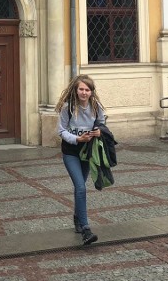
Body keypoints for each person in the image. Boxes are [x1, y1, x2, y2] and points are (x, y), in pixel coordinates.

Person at [56, 74, 105, 246]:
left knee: (80, 188)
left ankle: (77, 218)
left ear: (91, 92)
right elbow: (61, 131)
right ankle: (86, 229)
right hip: (71, 152)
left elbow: (102, 124)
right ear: (76, 90)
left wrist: (98, 131)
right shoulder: (67, 108)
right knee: (80, 187)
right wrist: (77, 139)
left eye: (87, 90)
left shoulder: (96, 106)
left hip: (87, 152)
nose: (84, 92)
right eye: (81, 89)